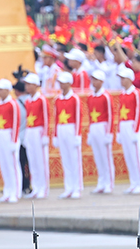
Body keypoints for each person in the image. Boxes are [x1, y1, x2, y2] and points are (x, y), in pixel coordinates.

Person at [115, 67, 140, 194]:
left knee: (136, 156)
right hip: (124, 125)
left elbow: (139, 111)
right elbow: (119, 112)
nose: (121, 81)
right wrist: (118, 131)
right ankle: (133, 183)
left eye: (123, 78)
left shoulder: (136, 93)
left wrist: (136, 130)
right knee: (128, 155)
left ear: (129, 79)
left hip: (133, 125)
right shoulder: (122, 94)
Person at [53, 71, 83, 199]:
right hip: (61, 128)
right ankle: (68, 187)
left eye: (63, 82)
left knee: (74, 159)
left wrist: (77, 135)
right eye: (60, 82)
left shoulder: (75, 98)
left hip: (71, 128)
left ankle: (77, 187)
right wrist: (55, 135)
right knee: (65, 159)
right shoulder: (57, 99)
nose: (61, 85)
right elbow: (55, 117)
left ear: (69, 83)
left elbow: (78, 117)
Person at [0, 78, 22, 203]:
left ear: (8, 90)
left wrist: (14, 141)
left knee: (12, 165)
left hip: (10, 134)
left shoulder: (13, 104)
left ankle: (15, 192)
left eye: (1, 89)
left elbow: (16, 123)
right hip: (1, 134)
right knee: (4, 165)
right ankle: (7, 191)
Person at [86, 70, 116, 194]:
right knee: (98, 156)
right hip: (94, 126)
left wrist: (109, 133)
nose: (94, 82)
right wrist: (89, 132)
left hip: (103, 126)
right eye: (92, 79)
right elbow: (89, 115)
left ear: (102, 81)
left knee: (106, 157)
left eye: (96, 79)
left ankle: (109, 183)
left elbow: (110, 115)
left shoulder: (106, 96)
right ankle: (101, 181)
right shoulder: (91, 96)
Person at [21, 73, 50, 198]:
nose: (26, 87)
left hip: (39, 130)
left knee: (41, 161)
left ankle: (43, 188)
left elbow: (46, 118)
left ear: (35, 85)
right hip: (31, 130)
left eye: (29, 84)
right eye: (26, 84)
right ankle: (36, 187)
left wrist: (45, 135)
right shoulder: (28, 101)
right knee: (32, 160)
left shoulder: (42, 100)